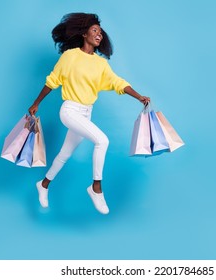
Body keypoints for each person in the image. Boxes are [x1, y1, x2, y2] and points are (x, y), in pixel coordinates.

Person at [28, 13, 150, 214]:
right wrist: (36, 103)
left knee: (65, 154)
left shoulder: (101, 64)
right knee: (102, 140)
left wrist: (138, 97)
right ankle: (96, 188)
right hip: (70, 110)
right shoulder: (70, 57)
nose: (99, 35)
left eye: (101, 33)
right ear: (84, 34)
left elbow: (117, 82)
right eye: (95, 31)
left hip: (86, 114)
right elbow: (52, 81)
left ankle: (43, 184)